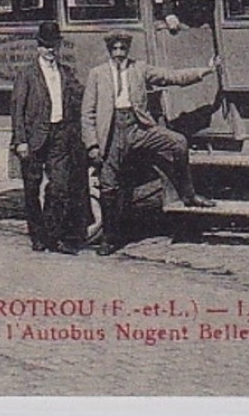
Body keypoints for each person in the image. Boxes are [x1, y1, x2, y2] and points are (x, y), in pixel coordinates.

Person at [81, 30, 218, 256]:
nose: (118, 54)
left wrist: (206, 70)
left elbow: (172, 77)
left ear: (128, 50)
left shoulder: (139, 68)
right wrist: (92, 145)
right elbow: (87, 114)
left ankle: (188, 194)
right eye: (114, 49)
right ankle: (109, 237)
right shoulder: (97, 74)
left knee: (178, 142)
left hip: (139, 128)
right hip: (111, 133)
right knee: (108, 187)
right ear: (109, 51)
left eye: (122, 49)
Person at [11, 21, 85, 255]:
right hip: (34, 138)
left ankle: (53, 236)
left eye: (54, 46)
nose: (50, 51)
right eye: (45, 46)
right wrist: (20, 140)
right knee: (32, 189)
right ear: (38, 47)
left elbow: (79, 96)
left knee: (59, 187)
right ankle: (37, 236)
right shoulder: (26, 73)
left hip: (59, 135)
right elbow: (17, 109)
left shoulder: (65, 72)